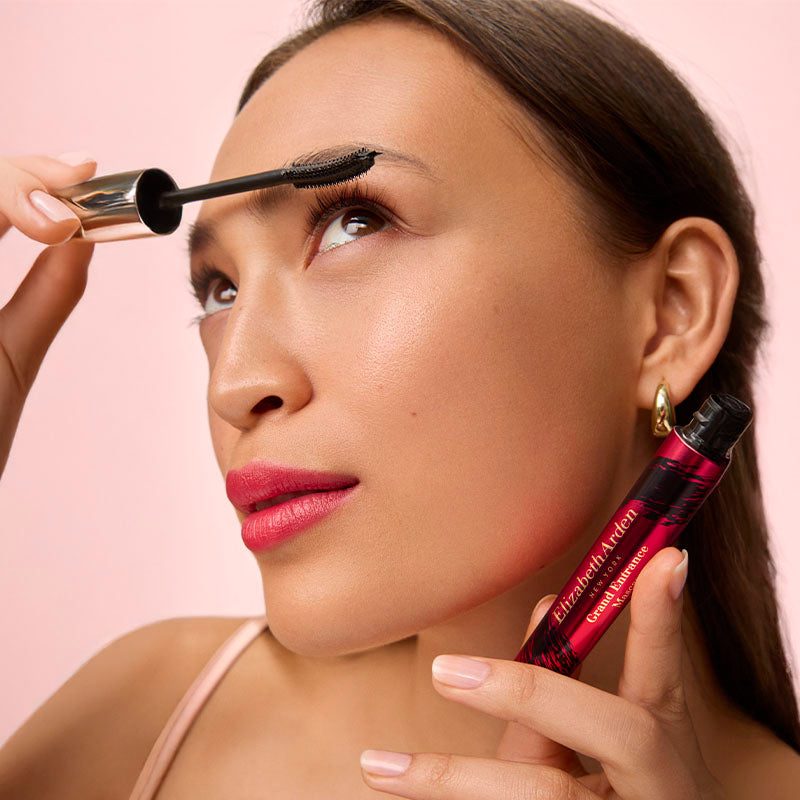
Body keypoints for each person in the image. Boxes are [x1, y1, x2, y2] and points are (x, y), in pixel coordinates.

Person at [1, 0, 799, 797]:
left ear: (671, 312)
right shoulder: (143, 717)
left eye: (356, 222)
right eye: (220, 291)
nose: (236, 384)